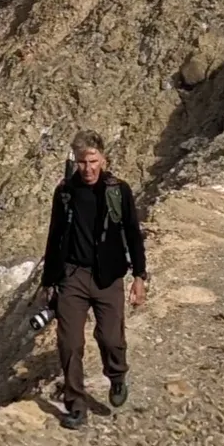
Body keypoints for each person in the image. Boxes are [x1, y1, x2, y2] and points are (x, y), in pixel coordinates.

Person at [40, 132, 148, 428]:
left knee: (111, 337)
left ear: (103, 159)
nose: (87, 169)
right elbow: (55, 236)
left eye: (92, 161)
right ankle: (75, 404)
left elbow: (132, 233)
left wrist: (139, 276)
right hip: (72, 277)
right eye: (81, 163)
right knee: (70, 343)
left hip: (108, 276)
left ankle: (116, 375)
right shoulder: (65, 192)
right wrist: (48, 282)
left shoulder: (119, 191)